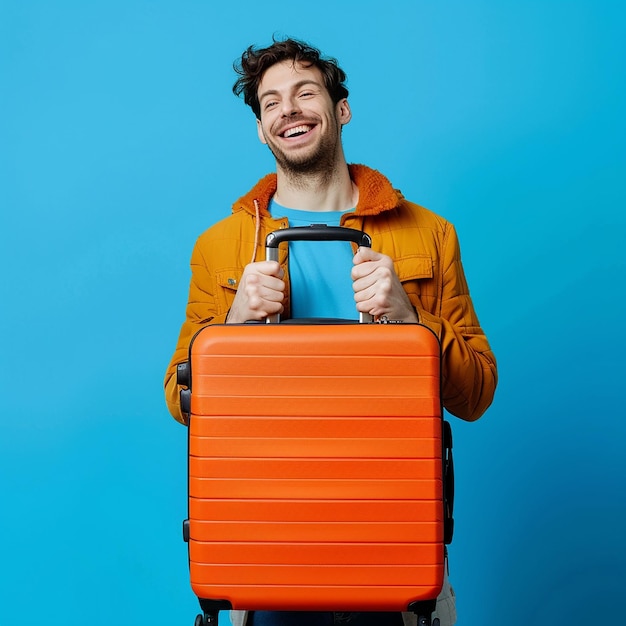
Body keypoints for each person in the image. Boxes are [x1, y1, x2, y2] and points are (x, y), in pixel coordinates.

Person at [164, 37, 497, 626]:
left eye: (305, 93)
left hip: (394, 548)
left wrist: (412, 322)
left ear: (340, 109)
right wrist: (233, 325)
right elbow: (178, 398)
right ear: (262, 132)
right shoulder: (220, 247)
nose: (288, 110)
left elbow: (476, 394)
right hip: (265, 550)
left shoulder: (429, 234)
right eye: (271, 104)